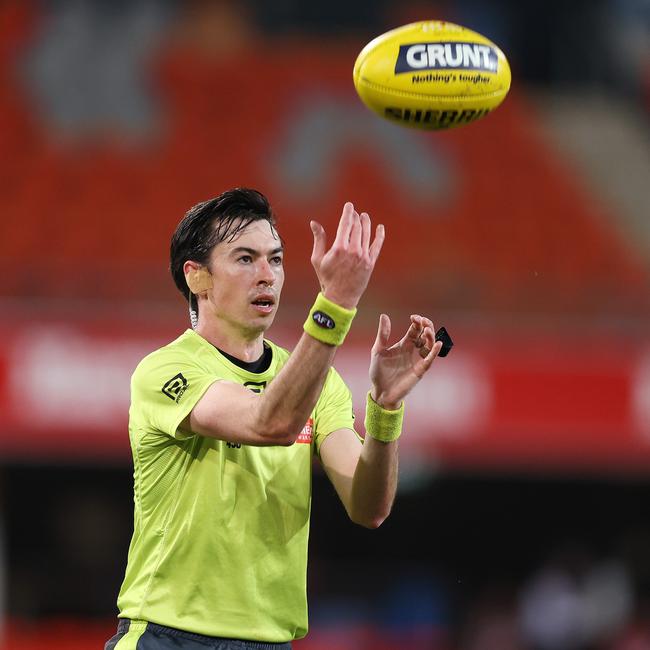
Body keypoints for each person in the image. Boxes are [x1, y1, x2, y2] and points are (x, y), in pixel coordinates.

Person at [105, 187, 443, 649]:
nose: (267, 275)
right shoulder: (166, 370)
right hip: (169, 636)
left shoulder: (316, 383)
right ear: (198, 277)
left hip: (271, 641)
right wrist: (336, 304)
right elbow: (270, 423)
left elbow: (369, 508)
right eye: (245, 259)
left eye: (276, 259)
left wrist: (384, 409)